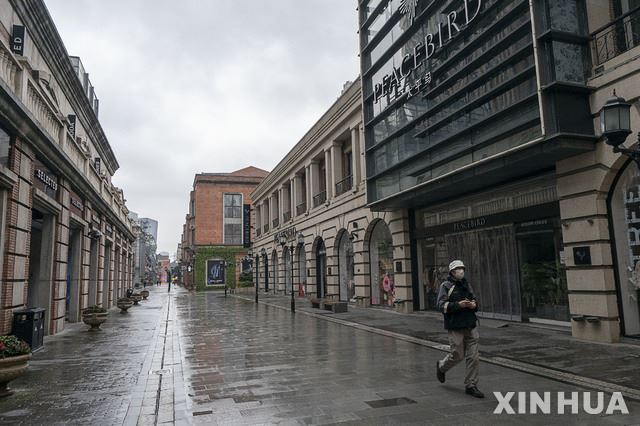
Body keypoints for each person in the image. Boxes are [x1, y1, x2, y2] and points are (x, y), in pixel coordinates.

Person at [435, 260, 484, 398]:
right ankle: (441, 366)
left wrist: (474, 304)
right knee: (457, 355)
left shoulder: (467, 284)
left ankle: (471, 385)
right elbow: (440, 305)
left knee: (474, 357)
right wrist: (458, 305)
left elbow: (474, 299)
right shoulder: (446, 286)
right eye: (458, 269)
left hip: (471, 324)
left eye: (462, 268)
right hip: (455, 326)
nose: (461, 271)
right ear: (452, 272)